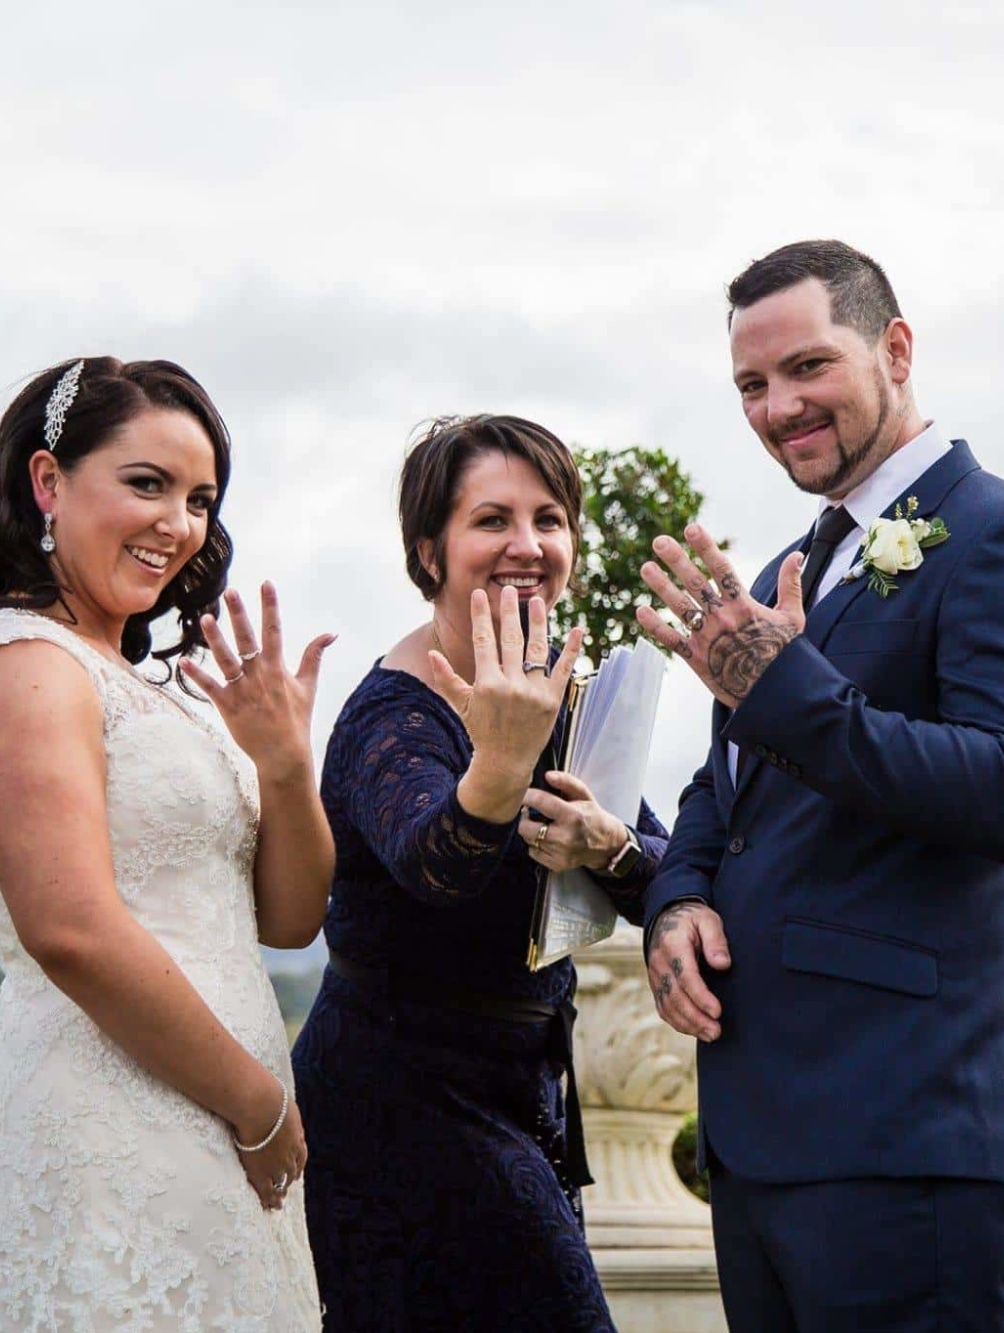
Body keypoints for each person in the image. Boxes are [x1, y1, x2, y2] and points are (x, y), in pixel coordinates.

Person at [635, 240, 1004, 1332]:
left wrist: (785, 686)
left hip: (904, 1127)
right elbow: (725, 789)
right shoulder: (783, 575)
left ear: (894, 349)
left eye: (807, 367)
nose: (777, 407)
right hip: (760, 1131)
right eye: (751, 385)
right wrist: (678, 899)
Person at [0, 357, 331, 1328]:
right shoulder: (18, 661)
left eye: (199, 498)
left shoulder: (143, 683)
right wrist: (257, 1104)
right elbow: (71, 929)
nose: (179, 522)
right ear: (48, 481)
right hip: (112, 1141)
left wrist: (285, 768)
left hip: (222, 1153)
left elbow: (291, 922)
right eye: (147, 483)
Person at [290, 413, 669, 1331]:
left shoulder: (559, 687)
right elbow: (436, 866)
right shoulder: (392, 716)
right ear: (431, 551)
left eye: (549, 519)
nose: (527, 545)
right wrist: (500, 762)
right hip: (401, 1101)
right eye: (491, 519)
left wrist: (607, 842)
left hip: (522, 1095)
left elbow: (664, 871)